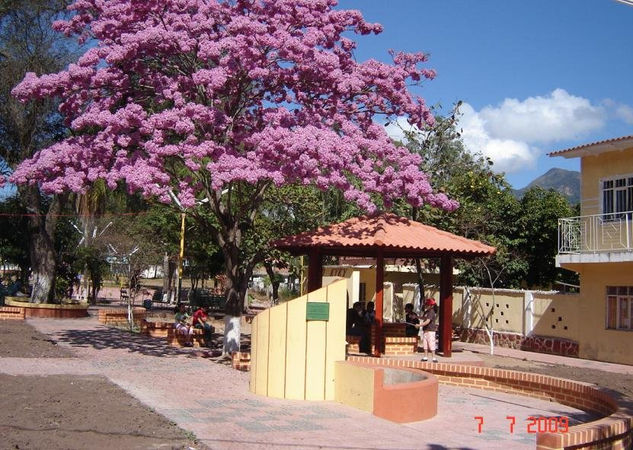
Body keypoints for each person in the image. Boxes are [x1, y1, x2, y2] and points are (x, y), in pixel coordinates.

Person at [417, 298, 438, 362]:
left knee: (431, 344)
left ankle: (434, 357)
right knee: (425, 344)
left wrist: (419, 325)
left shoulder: (431, 312)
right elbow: (424, 318)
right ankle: (425, 356)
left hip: (431, 331)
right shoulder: (426, 312)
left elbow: (427, 321)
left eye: (427, 305)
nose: (426, 306)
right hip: (425, 330)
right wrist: (416, 317)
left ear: (431, 305)